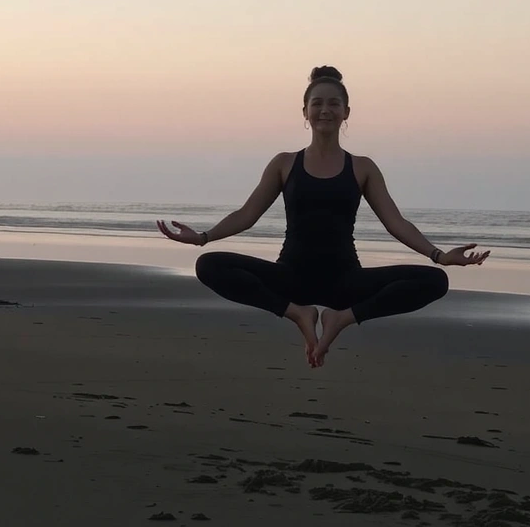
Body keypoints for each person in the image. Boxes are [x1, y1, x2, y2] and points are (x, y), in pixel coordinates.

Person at [157, 66, 489, 367]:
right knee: (209, 266)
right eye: (317, 103)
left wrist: (439, 255)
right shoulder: (285, 163)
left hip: (345, 282)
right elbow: (247, 214)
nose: (325, 110)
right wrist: (202, 237)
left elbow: (395, 222)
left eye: (333, 103)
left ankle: (342, 319)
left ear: (346, 112)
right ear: (305, 112)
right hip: (291, 277)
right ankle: (298, 314)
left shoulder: (362, 167)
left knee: (434, 281)